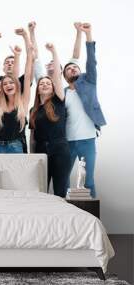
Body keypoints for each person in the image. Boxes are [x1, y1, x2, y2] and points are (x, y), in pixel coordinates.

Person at [63, 23, 105, 198]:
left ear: (81, 73)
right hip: (67, 141)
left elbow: (90, 60)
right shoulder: (62, 93)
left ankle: (92, 217)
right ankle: (64, 214)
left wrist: (87, 35)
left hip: (87, 139)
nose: (72, 68)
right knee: (63, 178)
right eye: (68, 69)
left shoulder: (89, 83)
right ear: (64, 76)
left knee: (88, 181)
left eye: (75, 67)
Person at [29, 43, 70, 198]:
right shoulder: (33, 110)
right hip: (40, 152)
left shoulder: (59, 101)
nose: (45, 85)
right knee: (40, 192)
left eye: (48, 83)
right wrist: (32, 155)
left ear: (53, 88)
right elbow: (32, 137)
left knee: (60, 191)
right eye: (41, 83)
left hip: (59, 149)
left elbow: (58, 76)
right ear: (38, 88)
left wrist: (53, 51)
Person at [0, 39, 34, 153]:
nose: (8, 85)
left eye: (11, 83)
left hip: (16, 147)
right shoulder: (0, 103)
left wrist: (28, 54)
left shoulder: (22, 102)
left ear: (16, 85)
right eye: (5, 84)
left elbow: (28, 76)